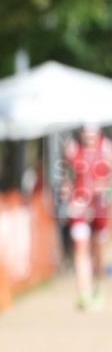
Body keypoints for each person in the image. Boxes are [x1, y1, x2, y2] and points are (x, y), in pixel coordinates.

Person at [63, 124, 112, 311]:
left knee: (98, 251)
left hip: (100, 206)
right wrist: (68, 192)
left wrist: (104, 189)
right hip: (80, 205)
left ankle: (98, 289)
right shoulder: (72, 150)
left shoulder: (107, 148)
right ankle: (83, 292)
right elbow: (66, 176)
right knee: (80, 247)